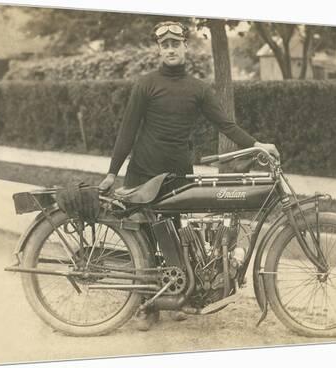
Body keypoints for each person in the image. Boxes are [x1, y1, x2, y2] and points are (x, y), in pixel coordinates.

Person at [98, 21, 279, 331]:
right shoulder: (146, 84)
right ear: (159, 49)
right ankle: (146, 307)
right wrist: (112, 173)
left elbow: (226, 125)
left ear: (184, 47)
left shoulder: (198, 89)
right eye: (165, 44)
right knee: (144, 237)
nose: (170, 49)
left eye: (175, 43)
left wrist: (256, 144)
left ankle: (174, 296)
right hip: (143, 170)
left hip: (178, 173)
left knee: (174, 238)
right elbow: (127, 131)